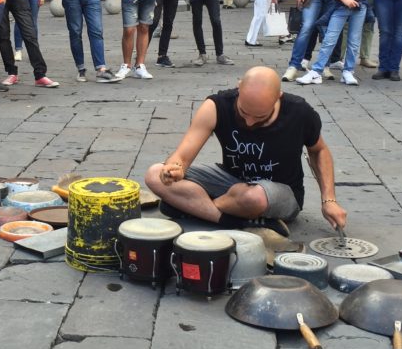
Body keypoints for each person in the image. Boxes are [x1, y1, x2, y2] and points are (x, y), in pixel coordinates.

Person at [145, 66, 347, 234]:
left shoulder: (299, 112)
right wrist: (176, 168)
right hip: (230, 180)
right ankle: (233, 221)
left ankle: (196, 207)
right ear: (239, 86)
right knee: (155, 174)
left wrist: (329, 200)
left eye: (260, 117)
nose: (249, 122)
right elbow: (182, 155)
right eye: (243, 112)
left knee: (252, 197)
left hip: (278, 191)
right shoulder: (216, 105)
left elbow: (319, 151)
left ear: (278, 97)